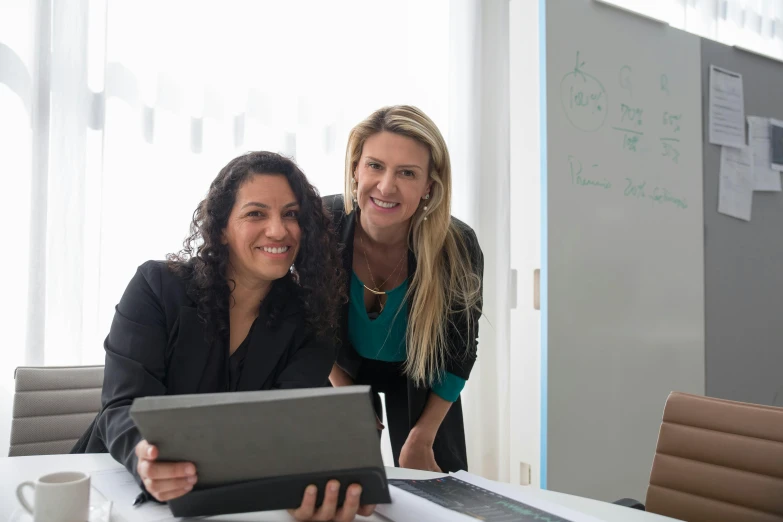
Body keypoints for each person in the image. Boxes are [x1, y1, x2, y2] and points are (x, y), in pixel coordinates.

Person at [73, 151, 374, 521]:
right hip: (110, 492)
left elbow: (283, 429)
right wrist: (144, 459)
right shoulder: (156, 287)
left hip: (234, 500)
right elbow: (122, 406)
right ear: (220, 229)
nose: (278, 230)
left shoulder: (313, 320)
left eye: (291, 215)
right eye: (256, 213)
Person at [325, 105, 484, 473]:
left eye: (407, 173)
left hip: (420, 372)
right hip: (336, 365)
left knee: (435, 488)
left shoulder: (456, 244)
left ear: (429, 185)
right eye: (375, 166)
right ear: (355, 170)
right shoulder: (322, 225)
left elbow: (460, 351)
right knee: (337, 483)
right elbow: (303, 323)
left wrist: (423, 437)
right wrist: (348, 395)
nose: (386, 186)